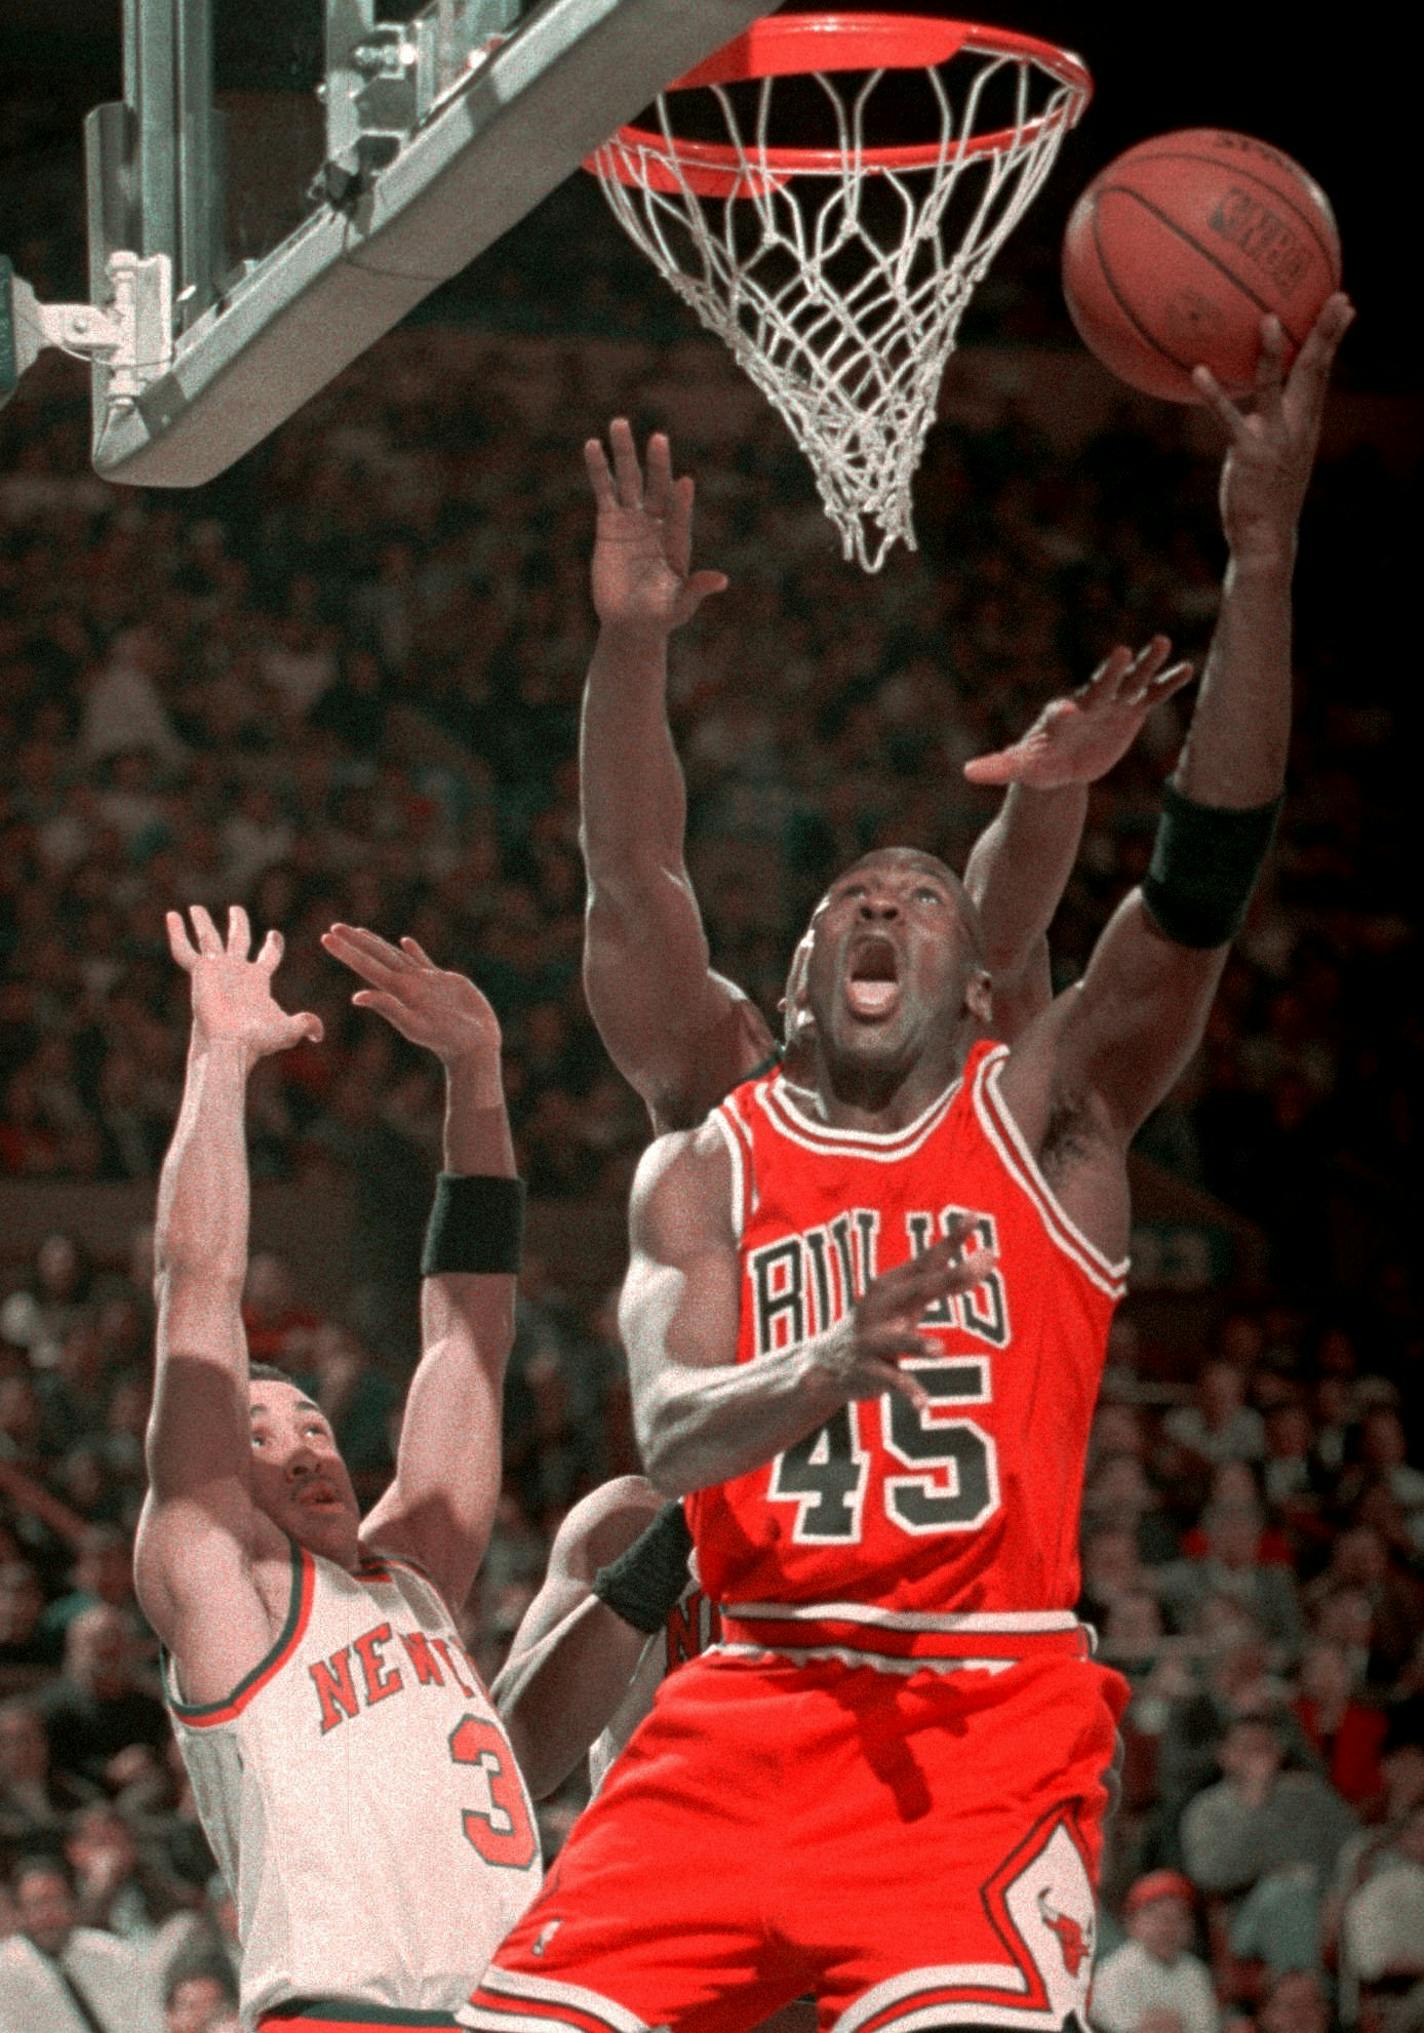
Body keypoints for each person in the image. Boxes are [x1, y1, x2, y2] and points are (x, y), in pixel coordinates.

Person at [461, 294, 1355, 2033]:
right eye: (844, 899)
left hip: (973, 1717)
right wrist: (629, 649)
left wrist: (1259, 556)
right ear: (787, 980)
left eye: (920, 895)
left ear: (978, 987)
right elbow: (630, 880)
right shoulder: (705, 1144)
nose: (880, 902)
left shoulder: (1048, 1118)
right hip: (739, 1706)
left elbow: (1197, 885)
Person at [133, 904, 541, 2033]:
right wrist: (218, 1058)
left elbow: (469, 1333)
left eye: (308, 1419)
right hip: (347, 2011)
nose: (298, 1441)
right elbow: (199, 1287)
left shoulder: (415, 1567)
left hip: (520, 2013)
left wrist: (475, 1078)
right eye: (255, 1433)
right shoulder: (232, 1589)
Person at [0, 1850, 165, 2032]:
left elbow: (147, 2016)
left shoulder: (110, 1952)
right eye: (37, 1904)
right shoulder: (6, 1971)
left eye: (57, 1901)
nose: (49, 1915)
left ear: (73, 1903)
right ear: (19, 1912)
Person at [1092, 1871, 1220, 2033]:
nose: (1167, 1928)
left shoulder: (1196, 1972)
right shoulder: (1113, 1971)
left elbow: (1206, 2027)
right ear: (1132, 1923)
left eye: (1178, 1918)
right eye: (1158, 1917)